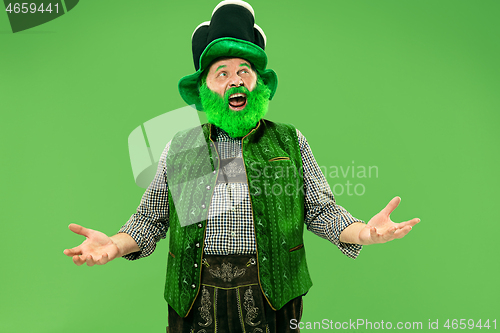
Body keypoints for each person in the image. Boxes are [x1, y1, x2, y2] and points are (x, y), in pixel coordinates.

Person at [64, 1, 419, 332]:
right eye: (222, 73)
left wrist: (364, 233)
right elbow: (149, 220)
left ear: (258, 84)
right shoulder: (183, 147)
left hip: (273, 298)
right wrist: (114, 243)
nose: (235, 80)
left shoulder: (288, 141)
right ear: (205, 89)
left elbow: (321, 211)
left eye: (244, 71)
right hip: (195, 301)